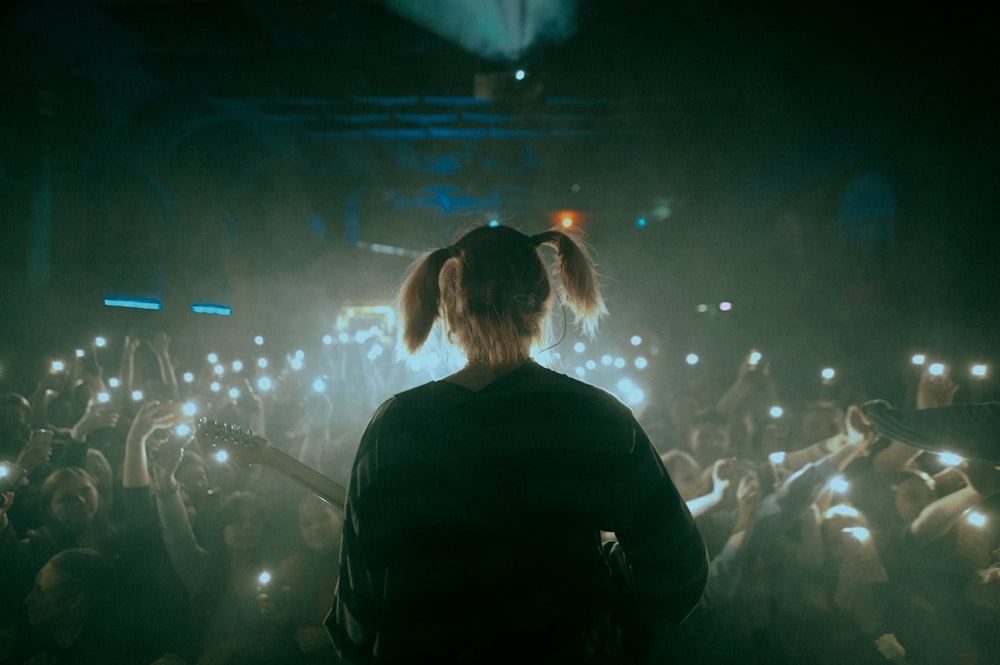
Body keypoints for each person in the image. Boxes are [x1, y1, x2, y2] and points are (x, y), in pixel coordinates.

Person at [326, 224, 708, 663]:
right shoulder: (596, 419)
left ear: (448, 307)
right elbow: (680, 571)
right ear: (543, 304)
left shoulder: (392, 429)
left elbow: (355, 620)